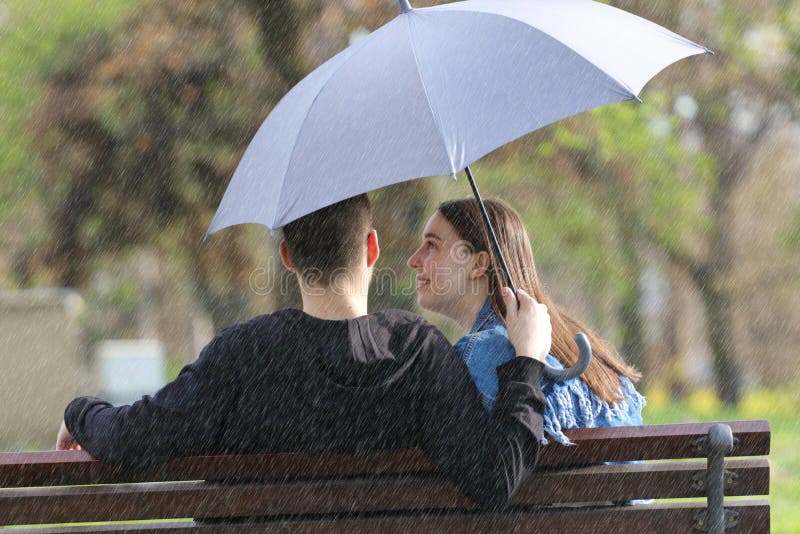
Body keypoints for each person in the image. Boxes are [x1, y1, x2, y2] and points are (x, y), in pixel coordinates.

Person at [56, 194, 553, 510]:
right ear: (372, 249)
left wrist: (80, 412)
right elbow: (495, 478)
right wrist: (527, 360)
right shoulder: (419, 352)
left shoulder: (242, 356)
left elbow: (131, 441)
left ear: (288, 257)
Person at [407, 197, 644, 445]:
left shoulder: (485, 353)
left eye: (432, 245)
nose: (413, 260)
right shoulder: (587, 356)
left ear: (478, 264)